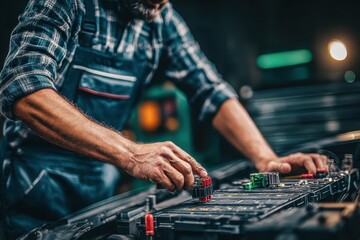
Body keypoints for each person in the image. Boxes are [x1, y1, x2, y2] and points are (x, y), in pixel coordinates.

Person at [0, 0, 328, 238]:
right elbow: (23, 87)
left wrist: (266, 158)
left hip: (99, 188)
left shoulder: (161, 18)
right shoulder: (69, 3)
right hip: (32, 190)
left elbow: (210, 89)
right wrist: (131, 152)